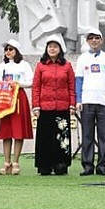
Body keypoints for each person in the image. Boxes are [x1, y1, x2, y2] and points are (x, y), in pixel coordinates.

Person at [75, 27, 105, 176]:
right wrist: (78, 100)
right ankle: (87, 165)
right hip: (87, 101)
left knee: (103, 135)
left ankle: (102, 165)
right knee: (87, 134)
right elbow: (79, 80)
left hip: (104, 101)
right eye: (91, 38)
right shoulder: (82, 59)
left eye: (97, 38)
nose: (94, 41)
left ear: (101, 40)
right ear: (87, 41)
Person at [32, 36, 76, 175]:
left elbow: (71, 86)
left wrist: (72, 104)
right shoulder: (41, 66)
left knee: (62, 137)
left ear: (60, 49)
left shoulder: (67, 66)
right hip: (45, 107)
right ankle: (44, 165)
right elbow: (36, 87)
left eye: (55, 47)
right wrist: (36, 106)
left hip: (62, 107)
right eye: (50, 46)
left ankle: (61, 164)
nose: (52, 49)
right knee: (45, 138)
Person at [0, 39, 33, 175]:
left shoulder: (24, 65)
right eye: (7, 49)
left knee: (18, 130)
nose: (8, 52)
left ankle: (16, 161)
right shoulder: (2, 66)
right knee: (6, 131)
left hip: (18, 97)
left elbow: (31, 81)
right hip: (4, 97)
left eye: (11, 49)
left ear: (17, 51)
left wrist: (18, 84)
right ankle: (6, 161)